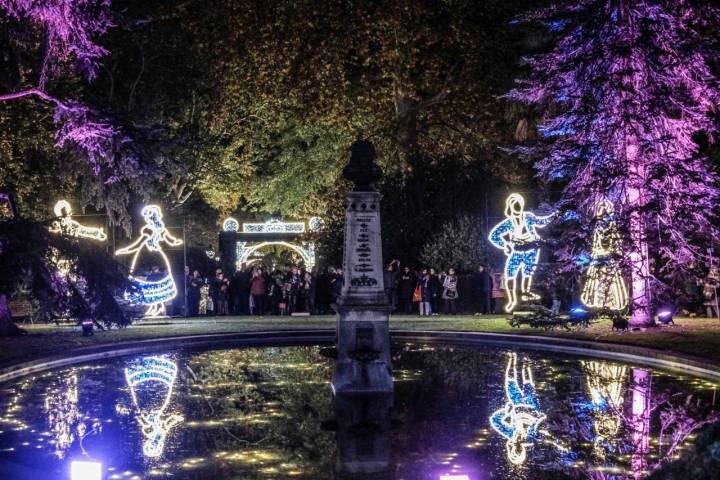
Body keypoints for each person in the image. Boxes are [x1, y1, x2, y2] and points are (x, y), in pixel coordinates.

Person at [488, 193, 554, 312]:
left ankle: (526, 293)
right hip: (517, 251)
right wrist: (505, 245)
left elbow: (541, 221)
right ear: (510, 207)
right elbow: (494, 235)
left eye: (519, 206)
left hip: (531, 249)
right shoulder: (508, 223)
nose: (517, 208)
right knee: (510, 274)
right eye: (515, 206)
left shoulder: (528, 217)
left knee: (527, 272)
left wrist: (553, 216)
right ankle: (512, 300)